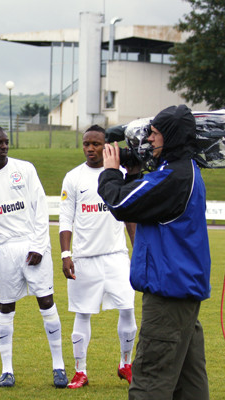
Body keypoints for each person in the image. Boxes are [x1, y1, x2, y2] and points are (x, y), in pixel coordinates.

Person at [98, 104, 211, 399]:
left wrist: (110, 173)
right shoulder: (185, 171)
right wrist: (133, 172)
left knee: (149, 382)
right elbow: (146, 205)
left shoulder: (173, 177)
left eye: (156, 134)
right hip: (182, 297)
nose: (150, 140)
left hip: (167, 298)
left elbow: (121, 204)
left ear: (172, 137)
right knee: (189, 386)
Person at [0, 125, 68, 388]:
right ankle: (7, 370)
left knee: (46, 301)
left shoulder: (24, 169)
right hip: (4, 249)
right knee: (5, 306)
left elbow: (39, 209)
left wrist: (38, 245)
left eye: (6, 142)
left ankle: (58, 366)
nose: (3, 146)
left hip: (31, 244)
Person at [58, 125, 138, 389]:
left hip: (116, 256)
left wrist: (137, 250)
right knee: (82, 313)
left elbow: (129, 215)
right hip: (85, 258)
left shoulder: (119, 174)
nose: (90, 148)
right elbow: (66, 219)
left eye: (96, 144)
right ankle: (80, 371)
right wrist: (66, 254)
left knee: (128, 308)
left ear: (107, 146)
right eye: (86, 144)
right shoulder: (73, 177)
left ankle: (125, 363)